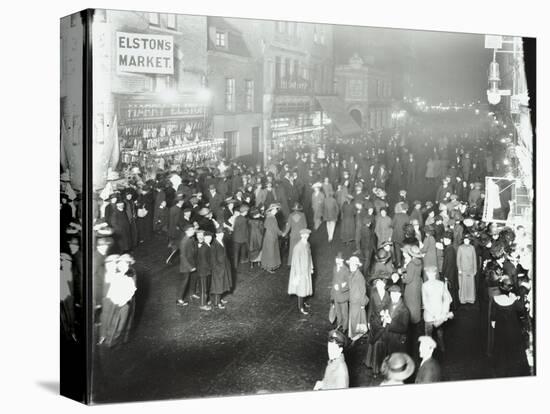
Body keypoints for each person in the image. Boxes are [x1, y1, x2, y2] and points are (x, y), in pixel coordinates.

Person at [490, 275, 530, 377]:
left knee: (501, 352)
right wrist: (516, 299)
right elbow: (521, 310)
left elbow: (493, 321)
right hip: (513, 332)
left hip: (500, 332)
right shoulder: (513, 300)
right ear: (510, 288)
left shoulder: (494, 300)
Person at [365, 273, 391, 377]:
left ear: (384, 285)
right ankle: (371, 363)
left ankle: (379, 365)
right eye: (378, 284)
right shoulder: (373, 294)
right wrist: (368, 321)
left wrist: (386, 315)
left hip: (383, 322)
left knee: (380, 343)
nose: (380, 285)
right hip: (374, 321)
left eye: (382, 284)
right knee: (373, 342)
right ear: (376, 285)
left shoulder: (387, 295)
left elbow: (388, 308)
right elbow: (370, 308)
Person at [422, 266, 453, 352]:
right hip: (440, 315)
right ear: (435, 274)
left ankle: (429, 352)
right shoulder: (441, 284)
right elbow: (447, 299)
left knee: (428, 335)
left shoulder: (425, 285)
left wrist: (433, 314)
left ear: (427, 274)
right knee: (440, 332)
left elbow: (425, 303)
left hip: (429, 316)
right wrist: (443, 313)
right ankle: (442, 348)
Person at [288, 229, 314, 315]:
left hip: (306, 270)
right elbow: (296, 262)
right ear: (301, 236)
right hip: (301, 272)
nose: (306, 236)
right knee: (301, 289)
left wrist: (311, 267)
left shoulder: (307, 244)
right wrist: (299, 274)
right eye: (304, 235)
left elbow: (310, 257)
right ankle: (301, 307)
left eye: (307, 235)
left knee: (305, 287)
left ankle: (304, 302)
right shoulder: (298, 247)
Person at [381, 284, 410, 355]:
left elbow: (404, 328)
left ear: (400, 294)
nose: (393, 297)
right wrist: (382, 318)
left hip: (398, 341)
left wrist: (391, 321)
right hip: (387, 338)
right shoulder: (387, 305)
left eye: (395, 294)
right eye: (391, 294)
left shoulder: (404, 310)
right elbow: (384, 319)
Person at [210, 227, 233, 309]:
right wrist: (217, 268)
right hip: (218, 269)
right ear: (216, 234)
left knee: (222, 284)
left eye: (223, 233)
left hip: (224, 266)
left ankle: (220, 299)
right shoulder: (214, 245)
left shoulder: (222, 241)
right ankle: (217, 302)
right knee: (218, 286)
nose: (222, 235)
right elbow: (213, 260)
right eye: (220, 234)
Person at [347, 255, 368, 341]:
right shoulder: (352, 274)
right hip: (352, 301)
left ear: (357, 266)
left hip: (357, 302)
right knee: (354, 318)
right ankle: (354, 333)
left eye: (353, 265)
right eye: (350, 265)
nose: (351, 266)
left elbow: (363, 292)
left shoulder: (360, 277)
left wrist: (362, 304)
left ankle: (356, 334)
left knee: (356, 319)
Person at [177, 225, 197, 307]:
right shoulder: (184, 241)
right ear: (186, 231)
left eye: (193, 229)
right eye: (191, 230)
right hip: (186, 266)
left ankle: (192, 293)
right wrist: (190, 267)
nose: (193, 231)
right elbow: (183, 256)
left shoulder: (191, 238)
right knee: (184, 283)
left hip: (192, 263)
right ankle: (179, 300)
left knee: (193, 279)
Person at [330, 252, 350, 332]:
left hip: (343, 295)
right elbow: (333, 280)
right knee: (338, 312)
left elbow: (349, 284)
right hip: (336, 295)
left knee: (344, 312)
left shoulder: (346, 270)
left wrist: (341, 287)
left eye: (339, 259)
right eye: (336, 259)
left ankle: (345, 327)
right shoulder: (335, 268)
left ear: (342, 260)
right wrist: (332, 294)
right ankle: (339, 324)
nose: (338, 261)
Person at [261, 203, 283, 273]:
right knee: (271, 252)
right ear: (271, 209)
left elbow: (265, 226)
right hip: (271, 237)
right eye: (275, 209)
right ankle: (269, 267)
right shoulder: (272, 218)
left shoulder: (268, 216)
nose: (276, 211)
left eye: (276, 209)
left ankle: (266, 266)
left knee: (268, 251)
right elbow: (276, 229)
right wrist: (282, 233)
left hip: (268, 236)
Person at [457, 234, 477, 304]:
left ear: (470, 241)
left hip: (471, 270)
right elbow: (458, 259)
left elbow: (474, 259)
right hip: (463, 270)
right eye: (465, 240)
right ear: (463, 240)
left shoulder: (472, 248)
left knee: (471, 285)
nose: (466, 241)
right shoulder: (460, 248)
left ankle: (471, 299)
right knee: (463, 285)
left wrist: (475, 269)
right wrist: (459, 269)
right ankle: (463, 299)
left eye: (468, 240)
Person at [195, 230, 213, 311]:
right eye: (207, 237)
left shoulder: (206, 245)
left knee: (206, 287)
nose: (209, 239)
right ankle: (202, 304)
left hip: (205, 270)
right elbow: (204, 261)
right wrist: (210, 268)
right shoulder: (204, 247)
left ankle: (206, 300)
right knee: (203, 289)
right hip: (203, 271)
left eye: (210, 237)